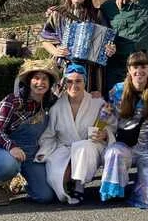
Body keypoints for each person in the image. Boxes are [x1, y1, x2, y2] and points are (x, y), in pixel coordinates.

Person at [37, 64, 115, 205]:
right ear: (65, 83)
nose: (74, 85)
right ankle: (69, 182)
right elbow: (49, 135)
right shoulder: (56, 107)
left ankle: (79, 186)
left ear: (85, 82)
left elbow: (112, 125)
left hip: (90, 148)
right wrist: (45, 153)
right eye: (70, 81)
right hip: (64, 148)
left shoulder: (97, 103)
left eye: (78, 81)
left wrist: (105, 134)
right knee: (57, 179)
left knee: (83, 147)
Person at [0, 59, 60, 206]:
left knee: (45, 196)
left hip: (32, 156)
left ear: (50, 83)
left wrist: (93, 96)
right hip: (5, 151)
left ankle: (19, 180)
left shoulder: (51, 102)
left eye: (45, 79)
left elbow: (71, 100)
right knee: (9, 165)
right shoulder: (13, 101)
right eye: (36, 78)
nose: (40, 83)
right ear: (28, 81)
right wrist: (12, 147)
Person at [100, 51, 148, 208]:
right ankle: (117, 189)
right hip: (125, 145)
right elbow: (107, 120)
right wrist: (103, 117)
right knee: (113, 152)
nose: (139, 71)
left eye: (143, 67)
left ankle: (139, 186)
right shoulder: (117, 90)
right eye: (135, 67)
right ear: (129, 70)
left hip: (147, 150)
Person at [39, 0, 116, 96]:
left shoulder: (98, 15)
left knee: (87, 104)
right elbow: (45, 38)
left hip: (91, 72)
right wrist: (55, 51)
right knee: (59, 102)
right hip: (63, 67)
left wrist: (110, 49)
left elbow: (108, 43)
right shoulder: (57, 14)